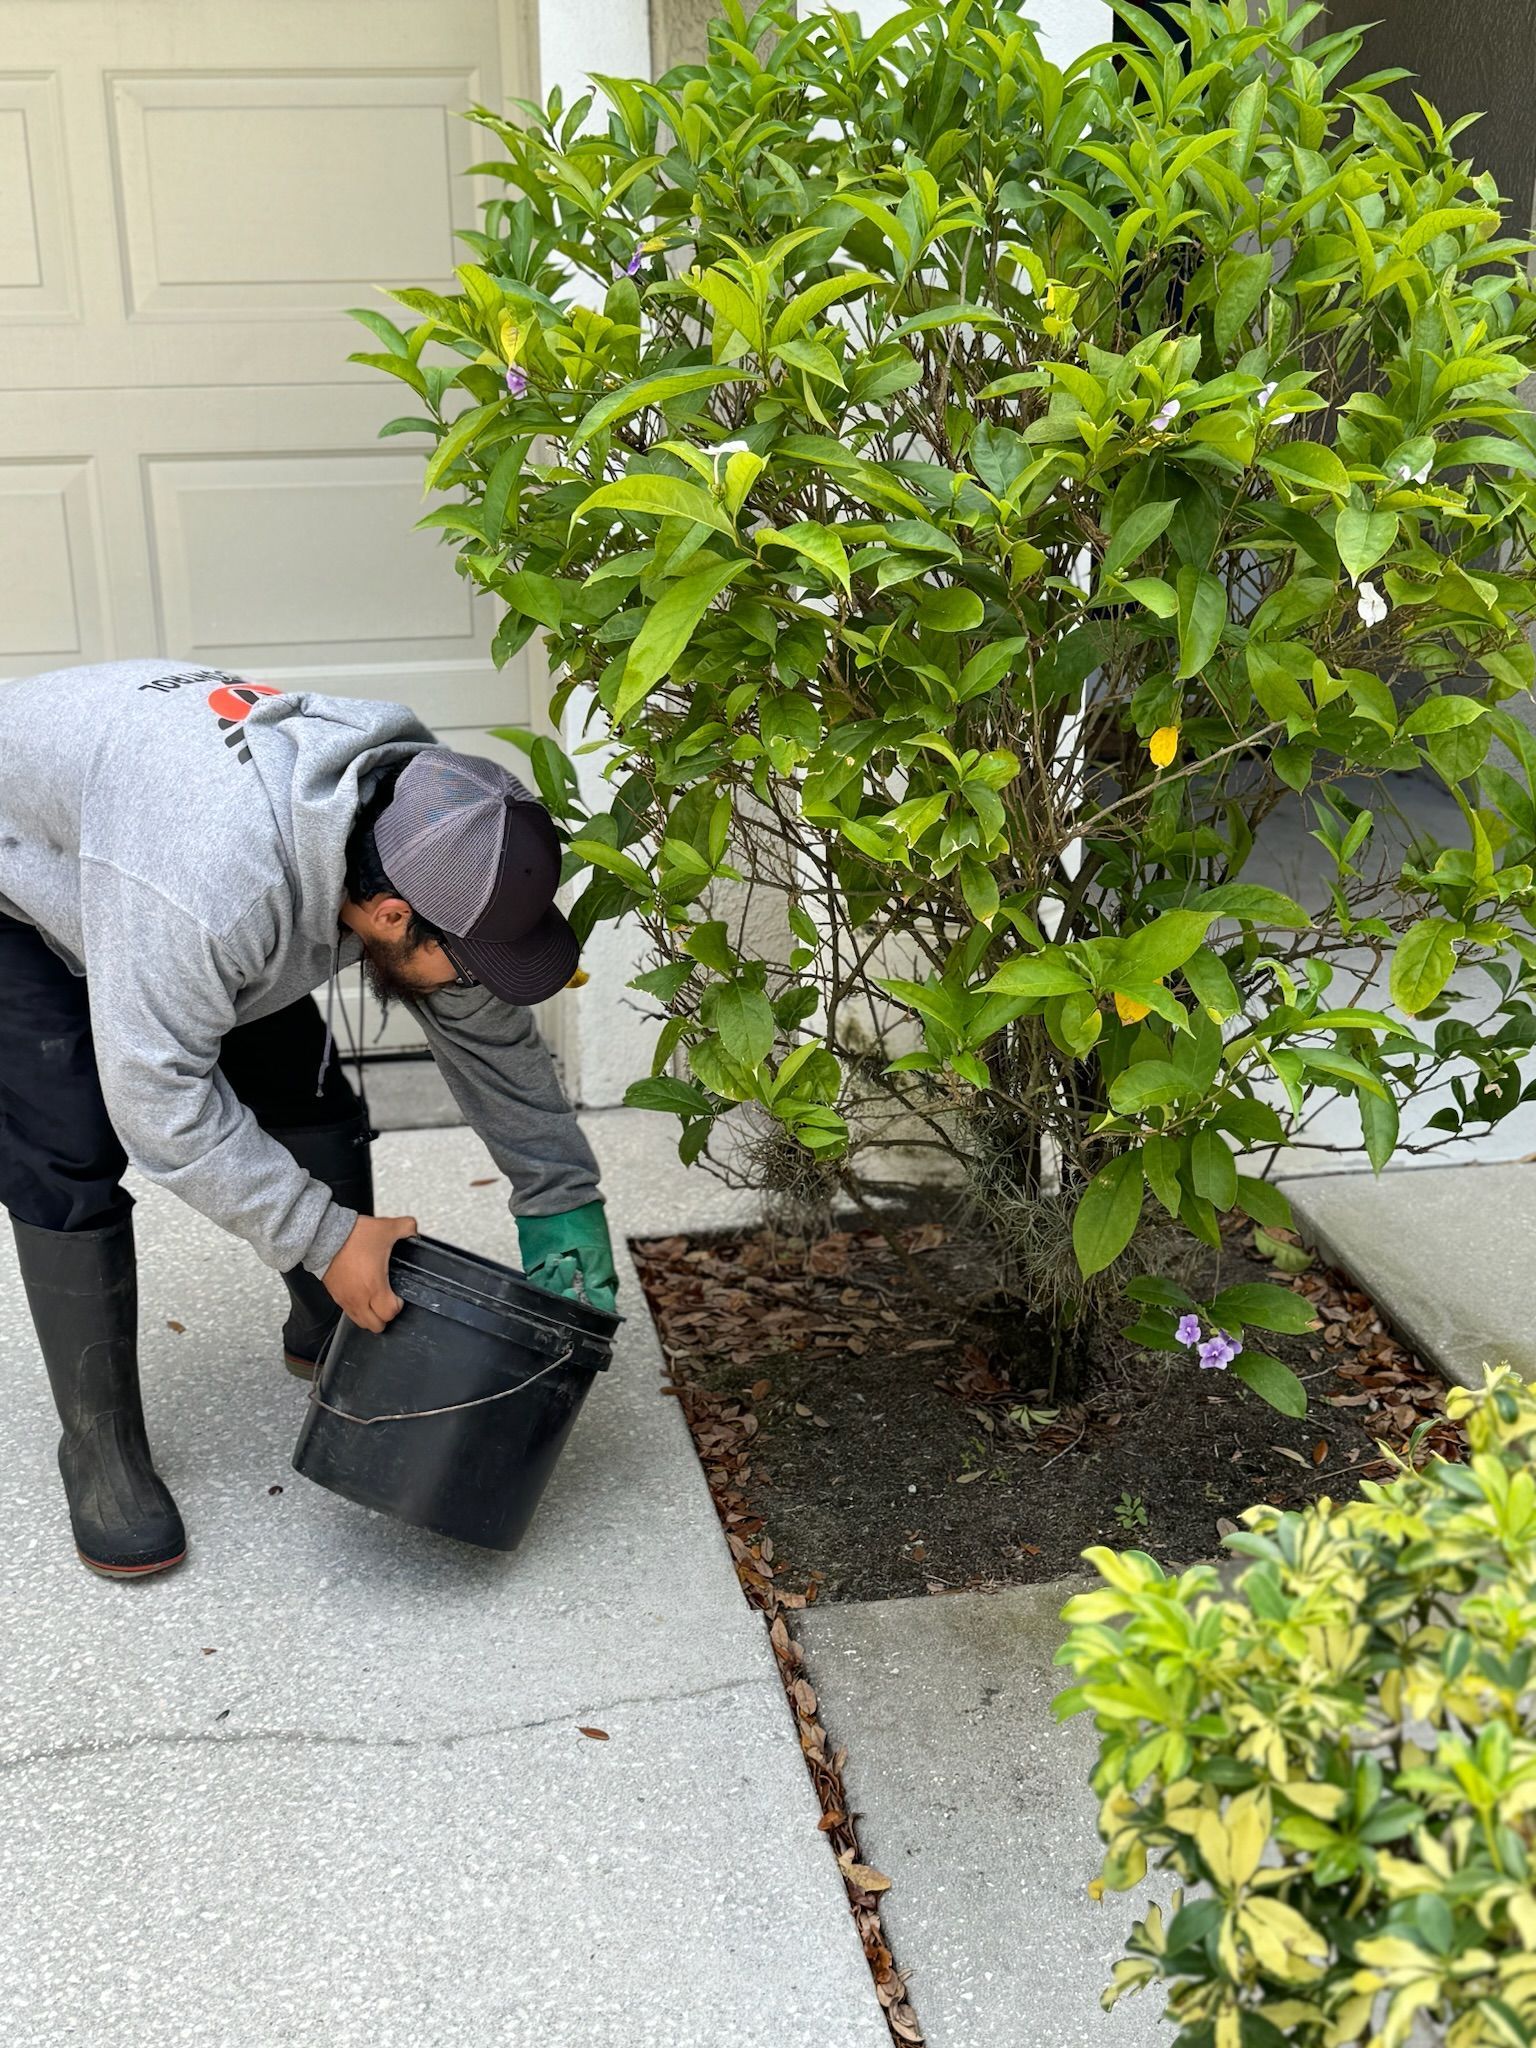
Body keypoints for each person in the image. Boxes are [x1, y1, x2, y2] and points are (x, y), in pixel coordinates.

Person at [0, 660, 617, 1579]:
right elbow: (157, 1101)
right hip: (24, 875)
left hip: (158, 843)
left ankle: (322, 1319)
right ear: (389, 911)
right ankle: (99, 1445)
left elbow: (479, 1021)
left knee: (306, 1095)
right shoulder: (215, 892)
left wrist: (560, 1195)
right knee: (69, 1152)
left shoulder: (435, 814)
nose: (486, 978)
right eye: (477, 957)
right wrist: (324, 1235)